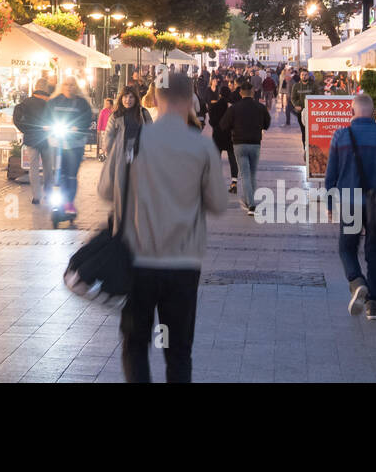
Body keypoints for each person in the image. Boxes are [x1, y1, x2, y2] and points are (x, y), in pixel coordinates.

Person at [98, 72, 229, 383]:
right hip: (183, 263)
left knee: (135, 344)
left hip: (137, 260)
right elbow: (218, 204)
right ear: (190, 100)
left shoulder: (133, 141)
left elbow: (105, 190)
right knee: (179, 351)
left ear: (154, 98)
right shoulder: (201, 147)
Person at [324, 94, 376, 320]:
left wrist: (329, 203)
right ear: (374, 112)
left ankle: (357, 281)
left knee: (347, 248)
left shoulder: (341, 135)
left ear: (352, 112)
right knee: (374, 252)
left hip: (350, 201)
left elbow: (331, 175)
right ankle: (372, 305)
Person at [221, 77, 271, 214]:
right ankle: (251, 201)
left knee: (245, 174)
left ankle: (251, 204)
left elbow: (223, 125)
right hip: (255, 143)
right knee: (252, 174)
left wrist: (233, 127)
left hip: (239, 144)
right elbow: (267, 125)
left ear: (241, 93)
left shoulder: (234, 108)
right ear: (253, 92)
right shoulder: (260, 107)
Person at [46, 77, 94, 215]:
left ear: (76, 87)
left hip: (75, 144)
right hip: (57, 143)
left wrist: (77, 128)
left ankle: (69, 202)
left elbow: (86, 119)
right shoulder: (53, 102)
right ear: (61, 86)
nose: (69, 87)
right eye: (66, 84)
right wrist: (46, 126)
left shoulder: (81, 103)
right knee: (59, 174)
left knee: (71, 174)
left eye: (72, 85)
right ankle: (58, 201)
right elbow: (46, 116)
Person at [13, 79, 54, 204]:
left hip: (31, 139)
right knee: (48, 168)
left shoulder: (26, 103)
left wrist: (26, 130)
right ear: (45, 90)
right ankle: (48, 193)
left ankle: (36, 196)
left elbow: (17, 119)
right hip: (47, 139)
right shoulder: (49, 104)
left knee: (33, 167)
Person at [100, 85, 152, 164]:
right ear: (121, 98)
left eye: (131, 97)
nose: (128, 100)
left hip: (139, 154)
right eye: (125, 96)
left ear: (135, 99)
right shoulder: (115, 115)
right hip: (119, 154)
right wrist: (108, 150)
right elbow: (109, 134)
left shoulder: (143, 113)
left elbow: (151, 131)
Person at [290, 69, 320, 147]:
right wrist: (296, 105)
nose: (304, 76)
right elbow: (293, 98)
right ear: (300, 76)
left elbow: (318, 96)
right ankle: (305, 149)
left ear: (308, 75)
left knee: (312, 131)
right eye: (302, 75)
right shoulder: (296, 86)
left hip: (312, 112)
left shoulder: (313, 85)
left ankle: (312, 147)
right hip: (301, 112)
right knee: (304, 131)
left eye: (305, 75)